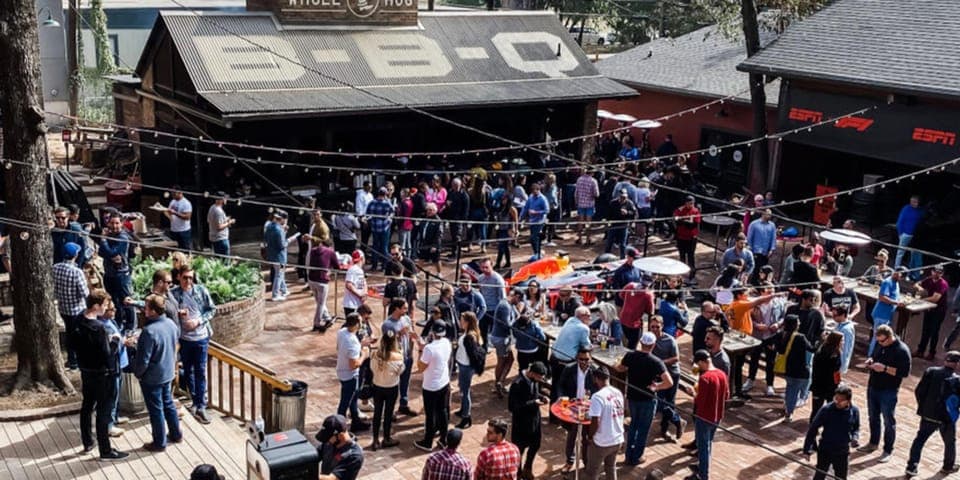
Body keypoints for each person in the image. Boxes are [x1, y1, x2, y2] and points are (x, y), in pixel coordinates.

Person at [73, 290, 127, 459]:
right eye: (104, 305)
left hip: (86, 371)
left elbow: (72, 344)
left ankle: (88, 441)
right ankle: (105, 450)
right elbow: (107, 353)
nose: (106, 308)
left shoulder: (78, 320)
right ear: (96, 306)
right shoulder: (99, 328)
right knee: (104, 411)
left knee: (87, 406)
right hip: (103, 374)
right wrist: (116, 340)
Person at [130, 294, 182, 452]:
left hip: (152, 377)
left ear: (152, 311)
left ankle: (159, 442)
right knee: (168, 403)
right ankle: (176, 434)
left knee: (156, 410)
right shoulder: (171, 324)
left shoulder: (149, 331)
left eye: (146, 307)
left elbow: (143, 360)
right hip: (167, 372)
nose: (143, 310)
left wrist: (138, 373)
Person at [615, 332, 672, 465]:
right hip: (647, 398)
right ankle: (637, 456)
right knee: (643, 428)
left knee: (633, 425)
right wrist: (657, 386)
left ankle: (629, 455)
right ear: (653, 345)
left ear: (641, 343)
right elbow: (669, 382)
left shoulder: (630, 355)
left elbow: (620, 368)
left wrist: (619, 362)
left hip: (632, 397)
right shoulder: (656, 361)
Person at [857, 325, 911, 463]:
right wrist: (871, 361)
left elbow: (904, 373)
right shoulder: (879, 344)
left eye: (882, 341)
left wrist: (885, 368)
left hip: (889, 389)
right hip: (873, 385)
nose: (880, 343)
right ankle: (873, 443)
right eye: (878, 341)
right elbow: (874, 356)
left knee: (888, 420)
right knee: (873, 417)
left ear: (890, 336)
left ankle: (888, 450)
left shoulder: (902, 350)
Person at [170, 265, 216, 425]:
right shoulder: (174, 294)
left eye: (191, 277)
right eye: (185, 278)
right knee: (187, 370)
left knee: (200, 370)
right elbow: (161, 307)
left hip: (201, 337)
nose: (188, 281)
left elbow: (211, 310)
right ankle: (195, 399)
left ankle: (200, 405)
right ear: (179, 277)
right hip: (184, 339)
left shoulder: (201, 291)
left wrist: (198, 321)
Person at [905, 350, 960, 476]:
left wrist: (923, 407)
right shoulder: (957, 381)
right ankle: (947, 466)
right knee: (950, 442)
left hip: (928, 415)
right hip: (946, 419)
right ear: (957, 364)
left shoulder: (931, 371)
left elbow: (919, 391)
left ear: (945, 360)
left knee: (919, 440)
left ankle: (911, 466)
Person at [686, 350, 728, 480]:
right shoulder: (722, 374)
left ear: (701, 362)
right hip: (717, 415)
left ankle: (703, 475)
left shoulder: (705, 378)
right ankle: (702, 467)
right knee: (708, 443)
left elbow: (700, 401)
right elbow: (727, 395)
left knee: (703, 446)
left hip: (704, 417)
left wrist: (692, 393)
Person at [802, 384, 860, 480]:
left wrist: (855, 437)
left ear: (848, 401)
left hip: (842, 451)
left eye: (841, 400)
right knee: (820, 475)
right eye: (836, 398)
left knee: (841, 477)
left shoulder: (854, 411)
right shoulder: (826, 410)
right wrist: (806, 449)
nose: (837, 402)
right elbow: (813, 428)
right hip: (825, 449)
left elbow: (856, 428)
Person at [415, 320, 453, 452]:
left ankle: (428, 441)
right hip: (443, 382)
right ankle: (444, 439)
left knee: (430, 414)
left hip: (431, 385)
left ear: (432, 332)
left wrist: (420, 349)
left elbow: (420, 367)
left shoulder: (428, 349)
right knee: (442, 411)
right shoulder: (446, 343)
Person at [557, 348, 598, 472]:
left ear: (590, 359)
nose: (584, 362)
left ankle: (586, 462)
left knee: (586, 437)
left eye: (587, 359)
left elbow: (599, 389)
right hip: (572, 408)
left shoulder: (594, 371)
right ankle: (570, 461)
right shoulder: (569, 369)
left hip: (587, 409)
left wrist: (591, 400)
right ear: (577, 358)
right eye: (581, 359)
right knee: (572, 435)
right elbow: (560, 385)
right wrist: (563, 399)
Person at [507, 361, 549, 480]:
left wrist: (541, 397)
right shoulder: (517, 384)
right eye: (539, 377)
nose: (540, 380)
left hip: (534, 421)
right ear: (531, 373)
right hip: (521, 423)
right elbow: (512, 407)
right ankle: (519, 473)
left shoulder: (534, 381)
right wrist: (533, 403)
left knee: (535, 445)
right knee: (519, 450)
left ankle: (528, 468)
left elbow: (534, 394)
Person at [54, 242, 89, 370]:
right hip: (77, 310)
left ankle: (71, 360)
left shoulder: (55, 268)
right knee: (79, 336)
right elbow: (84, 293)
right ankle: (78, 361)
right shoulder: (77, 272)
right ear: (75, 255)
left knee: (69, 333)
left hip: (63, 309)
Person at [649, 316, 685, 442]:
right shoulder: (649, 339)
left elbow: (676, 358)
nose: (654, 329)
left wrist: (661, 363)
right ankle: (676, 420)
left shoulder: (669, 340)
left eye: (657, 327)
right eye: (652, 326)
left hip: (672, 374)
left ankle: (665, 429)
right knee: (660, 403)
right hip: (659, 375)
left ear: (662, 326)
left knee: (669, 402)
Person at [746, 283, 785, 396]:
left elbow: (783, 317)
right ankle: (750, 380)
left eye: (773, 291)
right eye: (768, 291)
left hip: (771, 336)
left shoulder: (779, 303)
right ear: (762, 292)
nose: (771, 294)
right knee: (754, 358)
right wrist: (756, 325)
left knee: (771, 361)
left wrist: (777, 324)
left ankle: (769, 385)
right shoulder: (754, 304)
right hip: (757, 336)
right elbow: (747, 317)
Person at [382, 298, 420, 417]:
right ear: (396, 308)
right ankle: (390, 410)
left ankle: (404, 405)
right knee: (393, 384)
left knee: (405, 382)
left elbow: (411, 336)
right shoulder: (387, 324)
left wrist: (411, 350)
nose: (406, 310)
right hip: (394, 359)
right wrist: (399, 333)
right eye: (404, 308)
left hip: (407, 356)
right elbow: (388, 341)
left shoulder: (407, 319)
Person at [586, 366, 625, 480]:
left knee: (592, 473)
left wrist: (590, 437)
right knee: (611, 467)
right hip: (617, 439)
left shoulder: (597, 397)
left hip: (602, 442)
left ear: (596, 378)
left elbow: (595, 421)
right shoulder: (618, 392)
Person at [775, 314, 816, 422]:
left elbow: (770, 343)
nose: (799, 323)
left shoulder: (781, 335)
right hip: (800, 370)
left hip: (788, 369)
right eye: (798, 322)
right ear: (794, 324)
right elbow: (812, 349)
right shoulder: (800, 337)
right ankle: (790, 409)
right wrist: (820, 341)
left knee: (790, 389)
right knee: (801, 388)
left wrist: (773, 347)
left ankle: (789, 407)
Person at [337, 313, 372, 432]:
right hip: (350, 375)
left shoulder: (342, 332)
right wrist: (364, 355)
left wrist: (360, 345)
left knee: (352, 398)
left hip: (341, 371)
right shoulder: (352, 342)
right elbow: (354, 365)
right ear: (357, 324)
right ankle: (338, 428)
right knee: (345, 403)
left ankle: (356, 421)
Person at [99, 215, 135, 331]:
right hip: (109, 274)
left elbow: (112, 252)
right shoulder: (109, 236)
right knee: (114, 301)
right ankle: (118, 322)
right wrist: (109, 252)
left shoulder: (123, 238)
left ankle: (130, 326)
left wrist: (104, 241)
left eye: (117, 223)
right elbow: (101, 252)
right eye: (112, 223)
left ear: (121, 224)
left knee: (126, 300)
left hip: (121, 275)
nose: (114, 226)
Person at [369, 328, 403, 450]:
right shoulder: (398, 356)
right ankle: (387, 438)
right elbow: (401, 371)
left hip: (377, 386)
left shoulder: (374, 354)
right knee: (388, 414)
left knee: (377, 413)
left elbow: (372, 369)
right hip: (391, 387)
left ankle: (375, 440)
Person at [550, 307, 593, 401]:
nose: (591, 318)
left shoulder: (570, 320)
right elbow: (587, 346)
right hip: (566, 362)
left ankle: (552, 412)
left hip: (554, 357)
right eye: (589, 316)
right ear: (582, 316)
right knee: (567, 389)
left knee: (555, 387)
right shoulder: (584, 328)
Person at [914, 265, 949, 360]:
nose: (936, 273)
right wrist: (920, 288)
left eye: (939, 272)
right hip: (929, 308)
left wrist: (921, 300)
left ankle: (931, 353)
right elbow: (916, 284)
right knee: (925, 330)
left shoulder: (943, 284)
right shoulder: (929, 279)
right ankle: (920, 351)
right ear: (931, 271)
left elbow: (935, 298)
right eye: (935, 271)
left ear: (942, 274)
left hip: (939, 311)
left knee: (934, 332)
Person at [490, 289, 521, 397]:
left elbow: (517, 314)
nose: (519, 302)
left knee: (509, 359)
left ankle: (500, 382)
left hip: (503, 337)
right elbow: (507, 324)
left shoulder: (509, 304)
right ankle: (498, 384)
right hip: (500, 338)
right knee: (502, 361)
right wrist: (517, 320)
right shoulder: (505, 306)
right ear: (516, 296)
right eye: (519, 299)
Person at [869, 267, 906, 356]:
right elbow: (882, 297)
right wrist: (897, 303)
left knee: (883, 337)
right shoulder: (887, 282)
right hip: (881, 314)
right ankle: (871, 357)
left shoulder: (896, 283)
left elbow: (894, 296)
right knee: (877, 337)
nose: (901, 278)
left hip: (887, 315)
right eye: (900, 275)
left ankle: (876, 356)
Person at [455, 312, 483, 429]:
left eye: (462, 320)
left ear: (467, 322)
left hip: (466, 367)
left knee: (465, 392)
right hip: (463, 365)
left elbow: (473, 355)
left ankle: (466, 416)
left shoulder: (469, 337)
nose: (460, 322)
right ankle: (463, 409)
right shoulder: (469, 334)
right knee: (462, 388)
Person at [316, 414, 364, 480]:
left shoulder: (354, 455)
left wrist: (310, 477)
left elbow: (333, 478)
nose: (327, 442)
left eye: (328, 438)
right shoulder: (328, 444)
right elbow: (314, 456)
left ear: (340, 435)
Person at [810, 332, 843, 423]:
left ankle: (813, 428)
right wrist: (838, 382)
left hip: (817, 384)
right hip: (830, 386)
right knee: (830, 409)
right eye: (841, 340)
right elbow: (836, 371)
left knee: (816, 409)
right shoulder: (835, 354)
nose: (842, 342)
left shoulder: (820, 350)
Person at [308, 239, 339, 332]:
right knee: (321, 303)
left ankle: (327, 317)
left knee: (319, 301)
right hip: (322, 281)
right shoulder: (330, 252)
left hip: (311, 279)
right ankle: (316, 323)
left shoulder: (312, 251)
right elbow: (337, 266)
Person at [477, 257, 506, 350]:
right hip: (484, 310)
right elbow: (481, 292)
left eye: (486, 267)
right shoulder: (480, 278)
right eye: (482, 267)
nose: (484, 269)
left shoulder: (498, 280)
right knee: (483, 331)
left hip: (494, 310)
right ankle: (485, 348)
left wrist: (500, 313)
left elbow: (502, 298)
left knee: (495, 334)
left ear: (491, 266)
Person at [264, 211, 292, 301]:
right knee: (279, 275)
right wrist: (288, 241)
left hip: (271, 254)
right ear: (282, 219)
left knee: (280, 273)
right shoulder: (279, 229)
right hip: (279, 256)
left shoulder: (269, 226)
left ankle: (284, 290)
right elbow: (282, 245)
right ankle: (275, 295)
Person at [366, 187, 394, 271]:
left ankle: (374, 265)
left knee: (375, 246)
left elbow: (367, 214)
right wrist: (389, 219)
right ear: (385, 194)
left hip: (375, 228)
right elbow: (392, 212)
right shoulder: (387, 203)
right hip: (385, 228)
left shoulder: (371, 203)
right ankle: (384, 266)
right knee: (384, 247)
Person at [520, 182, 549, 262]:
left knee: (534, 238)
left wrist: (536, 212)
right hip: (532, 221)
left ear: (538, 190)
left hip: (539, 221)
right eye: (532, 192)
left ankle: (538, 254)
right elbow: (525, 208)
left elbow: (547, 210)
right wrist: (520, 218)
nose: (533, 193)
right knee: (533, 239)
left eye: (535, 191)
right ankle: (537, 253)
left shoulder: (543, 199)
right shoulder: (530, 197)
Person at [619, 281, 654, 349]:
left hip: (623, 319)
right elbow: (650, 311)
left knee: (627, 340)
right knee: (633, 344)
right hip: (634, 324)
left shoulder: (630, 285)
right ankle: (629, 357)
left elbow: (621, 295)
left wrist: (629, 301)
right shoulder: (648, 294)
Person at [674, 195, 701, 279]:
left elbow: (693, 224)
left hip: (691, 238)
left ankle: (692, 276)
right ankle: (681, 275)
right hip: (681, 237)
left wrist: (683, 221)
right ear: (685, 203)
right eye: (689, 203)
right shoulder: (680, 209)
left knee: (690, 257)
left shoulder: (695, 211)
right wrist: (684, 221)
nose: (691, 205)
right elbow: (676, 219)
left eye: (692, 203)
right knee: (682, 256)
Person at [606, 188, 637, 259]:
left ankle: (622, 258)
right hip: (614, 225)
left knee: (623, 244)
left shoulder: (629, 203)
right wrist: (608, 222)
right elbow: (608, 214)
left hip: (624, 225)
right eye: (622, 197)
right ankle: (606, 257)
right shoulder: (613, 203)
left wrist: (627, 213)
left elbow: (634, 213)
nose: (623, 199)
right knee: (609, 241)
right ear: (618, 196)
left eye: (624, 197)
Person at [745, 209, 776, 281]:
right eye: (768, 214)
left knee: (764, 269)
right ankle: (753, 282)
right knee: (756, 269)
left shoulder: (772, 225)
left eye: (770, 214)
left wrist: (771, 249)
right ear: (763, 214)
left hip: (766, 252)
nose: (770, 216)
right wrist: (750, 250)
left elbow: (773, 238)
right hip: (756, 251)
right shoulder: (754, 224)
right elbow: (749, 238)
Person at [894, 195, 923, 269]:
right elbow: (900, 222)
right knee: (900, 252)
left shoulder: (919, 211)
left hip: (914, 234)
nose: (914, 203)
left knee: (913, 253)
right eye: (913, 202)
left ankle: (910, 270)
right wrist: (900, 234)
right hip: (906, 234)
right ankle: (896, 268)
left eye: (916, 202)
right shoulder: (906, 208)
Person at [575, 168, 600, 245]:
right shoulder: (593, 181)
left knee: (580, 221)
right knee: (588, 222)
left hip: (580, 203)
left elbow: (576, 192)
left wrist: (576, 201)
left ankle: (580, 238)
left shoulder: (579, 179)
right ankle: (588, 239)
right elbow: (596, 194)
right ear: (592, 172)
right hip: (590, 203)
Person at [418, 203, 444, 275]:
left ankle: (439, 273)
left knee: (436, 260)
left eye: (431, 210)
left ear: (435, 211)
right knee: (421, 258)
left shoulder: (438, 221)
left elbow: (439, 234)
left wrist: (435, 245)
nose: (428, 211)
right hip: (424, 243)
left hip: (433, 244)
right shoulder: (425, 219)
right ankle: (417, 272)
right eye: (428, 210)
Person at [343, 250, 367, 317]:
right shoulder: (353, 269)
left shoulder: (359, 270)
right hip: (351, 305)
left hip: (357, 304)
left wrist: (364, 294)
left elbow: (363, 284)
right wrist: (360, 295)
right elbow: (349, 285)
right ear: (362, 258)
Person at [833, 306, 856, 375]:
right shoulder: (839, 324)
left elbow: (845, 349)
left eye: (835, 315)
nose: (833, 317)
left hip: (839, 363)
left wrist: (841, 365)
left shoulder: (847, 330)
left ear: (843, 315)